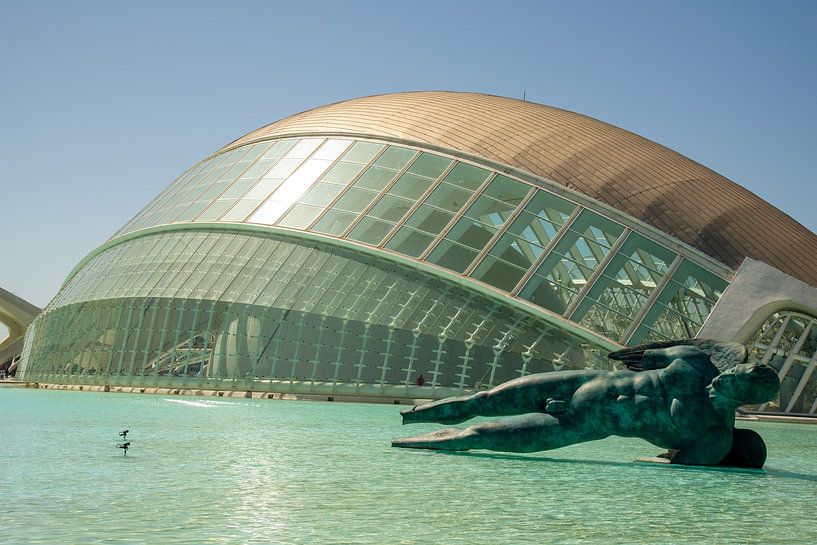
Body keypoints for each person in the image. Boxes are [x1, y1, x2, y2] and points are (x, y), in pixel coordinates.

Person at [392, 340, 779, 466]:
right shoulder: (696, 360)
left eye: (734, 386)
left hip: (580, 425)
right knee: (484, 398)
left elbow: (667, 465)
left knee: (479, 435)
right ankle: (412, 418)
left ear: (745, 402)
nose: (724, 379)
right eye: (733, 372)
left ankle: (416, 442)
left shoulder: (712, 435)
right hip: (584, 381)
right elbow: (640, 357)